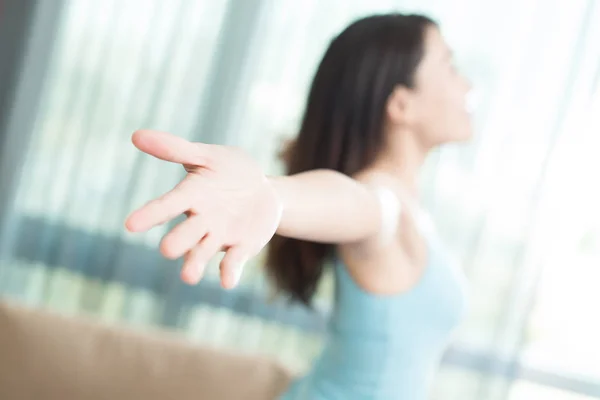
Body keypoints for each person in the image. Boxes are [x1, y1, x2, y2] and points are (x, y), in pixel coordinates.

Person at [125, 13, 472, 400]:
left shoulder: (411, 208)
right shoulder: (381, 199)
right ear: (401, 104)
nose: (466, 85)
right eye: (450, 66)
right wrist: (271, 196)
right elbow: (360, 205)